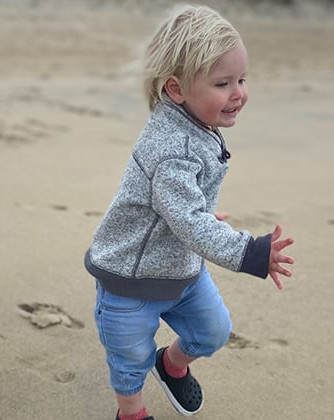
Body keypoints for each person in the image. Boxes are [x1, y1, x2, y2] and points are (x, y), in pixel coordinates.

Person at [84, 4, 294, 420]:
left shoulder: (196, 125)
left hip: (181, 267)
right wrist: (248, 251)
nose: (238, 93)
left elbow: (182, 209)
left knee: (213, 331)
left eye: (241, 79)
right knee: (129, 358)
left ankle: (173, 364)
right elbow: (187, 217)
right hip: (129, 277)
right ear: (177, 89)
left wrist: (188, 217)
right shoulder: (171, 149)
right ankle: (131, 411)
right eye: (222, 83)